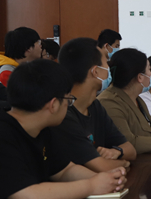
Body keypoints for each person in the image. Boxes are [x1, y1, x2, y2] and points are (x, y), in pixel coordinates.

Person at [0, 59, 126, 199]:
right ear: (53, 105)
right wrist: (91, 186)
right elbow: (28, 197)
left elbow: (64, 170)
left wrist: (104, 179)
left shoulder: (44, 128)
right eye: (68, 100)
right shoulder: (1, 132)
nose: (68, 105)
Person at [51, 37, 136, 170]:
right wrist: (123, 163)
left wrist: (117, 152)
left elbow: (130, 150)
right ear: (95, 71)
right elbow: (100, 167)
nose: (108, 68)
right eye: (106, 63)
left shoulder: (95, 106)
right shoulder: (63, 113)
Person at [98, 48, 151, 154]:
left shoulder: (137, 99)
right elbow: (128, 143)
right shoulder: (110, 102)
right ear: (140, 77)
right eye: (149, 70)